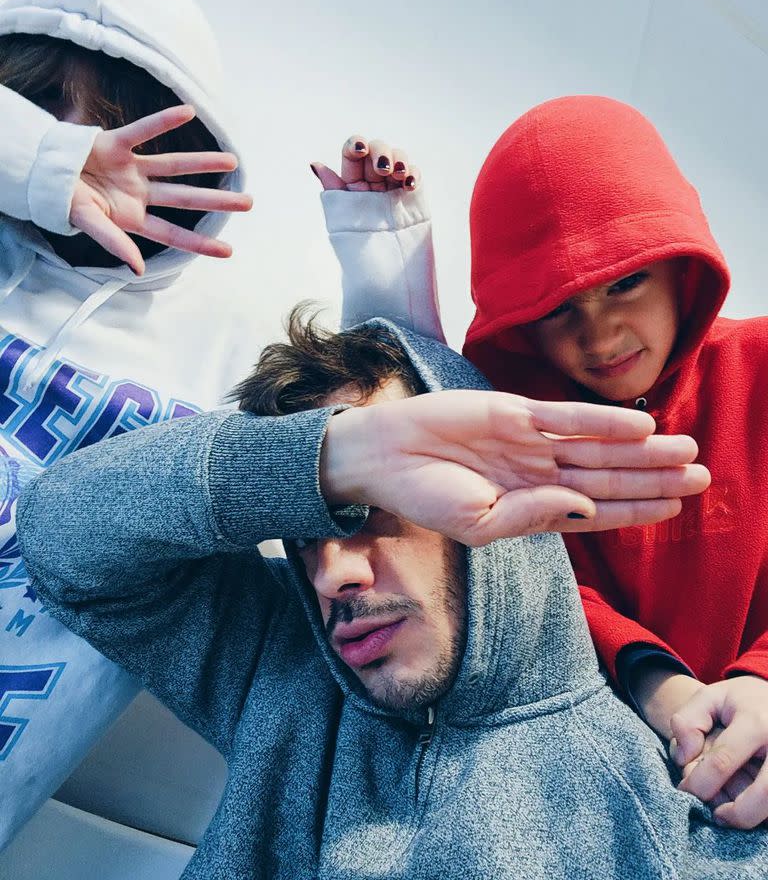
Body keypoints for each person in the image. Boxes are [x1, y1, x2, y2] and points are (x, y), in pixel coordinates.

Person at [19, 306, 766, 879]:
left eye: (367, 510)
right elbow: (61, 534)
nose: (330, 574)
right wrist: (330, 461)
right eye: (308, 528)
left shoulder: (661, 802)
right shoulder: (279, 667)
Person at [313, 97, 768, 831]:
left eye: (625, 282)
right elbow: (503, 568)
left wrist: (761, 680)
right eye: (557, 308)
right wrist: (656, 681)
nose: (601, 334)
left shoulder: (762, 367)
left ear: (682, 269)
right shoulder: (515, 423)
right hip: (590, 778)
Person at [0, 0, 255, 850]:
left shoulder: (220, 359)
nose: (95, 160)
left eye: (115, 126)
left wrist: (381, 231)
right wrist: (42, 169)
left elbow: (392, 410)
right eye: (45, 112)